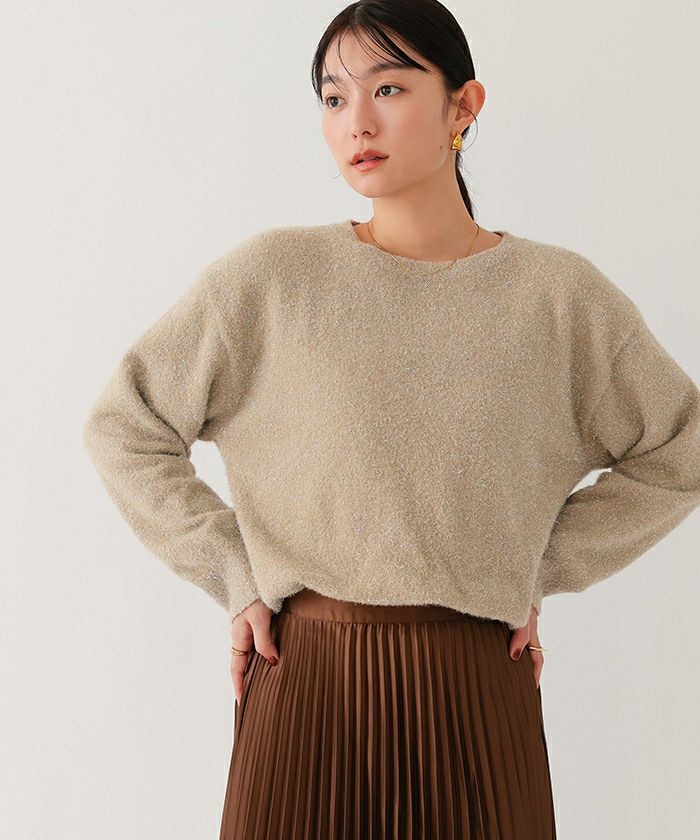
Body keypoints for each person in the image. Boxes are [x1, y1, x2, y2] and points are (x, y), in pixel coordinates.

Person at [82, 1, 700, 837]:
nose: (357, 123)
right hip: (304, 684)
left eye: (389, 88)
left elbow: (681, 447)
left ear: (463, 106)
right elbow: (125, 426)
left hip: (475, 689)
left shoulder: (558, 298)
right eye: (334, 98)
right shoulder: (274, 279)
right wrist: (232, 572)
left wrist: (535, 566)